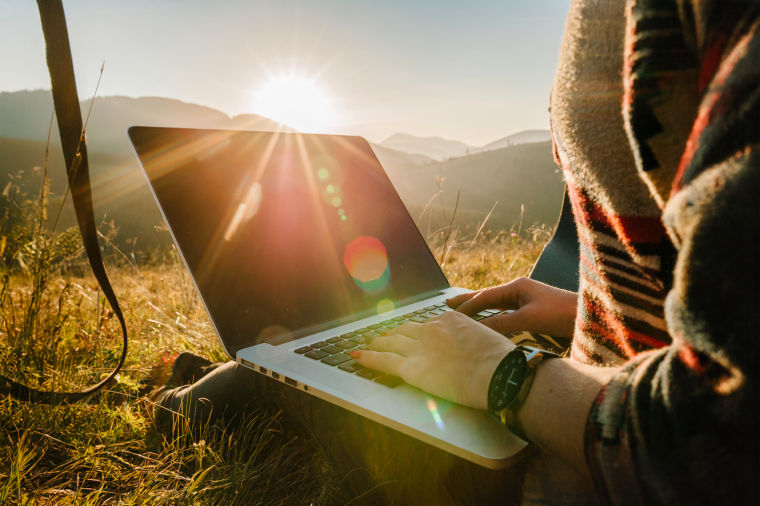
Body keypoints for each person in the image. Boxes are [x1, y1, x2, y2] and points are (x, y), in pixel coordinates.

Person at [149, 0, 759, 504]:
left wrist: (498, 375)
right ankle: (212, 377)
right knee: (328, 346)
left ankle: (183, 397)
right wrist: (588, 311)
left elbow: (720, 443)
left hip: (565, 466)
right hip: (588, 384)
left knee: (278, 363)